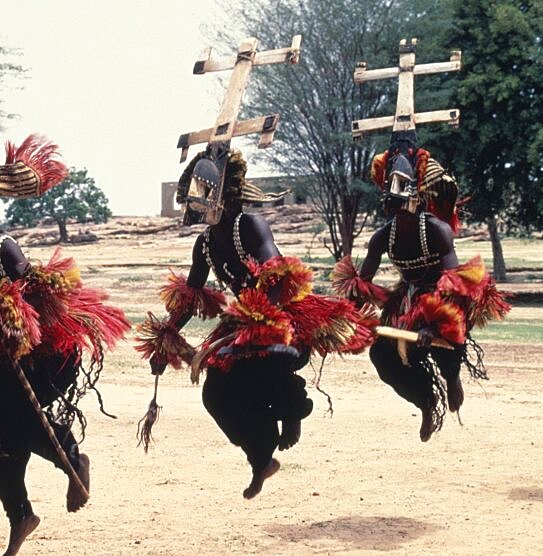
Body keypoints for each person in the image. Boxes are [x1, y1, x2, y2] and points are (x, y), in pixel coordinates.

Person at [0, 125, 129, 556]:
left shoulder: (5, 250)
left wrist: (12, 315)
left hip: (47, 353)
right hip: (0, 354)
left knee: (14, 415)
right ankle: (20, 513)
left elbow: (40, 305)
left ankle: (73, 459)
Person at [137, 143, 374, 500]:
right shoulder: (203, 244)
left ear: (223, 194)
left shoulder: (250, 225)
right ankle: (261, 457)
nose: (197, 200)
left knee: (266, 362)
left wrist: (258, 317)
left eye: (204, 191)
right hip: (243, 323)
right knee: (215, 391)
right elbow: (190, 297)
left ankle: (293, 406)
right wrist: (166, 336)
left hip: (283, 319)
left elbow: (279, 274)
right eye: (195, 192)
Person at [332, 130, 509, 440]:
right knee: (382, 358)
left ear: (416, 192)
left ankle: (451, 374)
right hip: (407, 299)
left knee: (444, 341)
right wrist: (343, 319)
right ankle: (425, 401)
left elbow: (454, 285)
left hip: (441, 302)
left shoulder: (438, 231)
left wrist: (433, 326)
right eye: (388, 189)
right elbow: (362, 284)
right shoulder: (383, 236)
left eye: (400, 188)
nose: (391, 199)